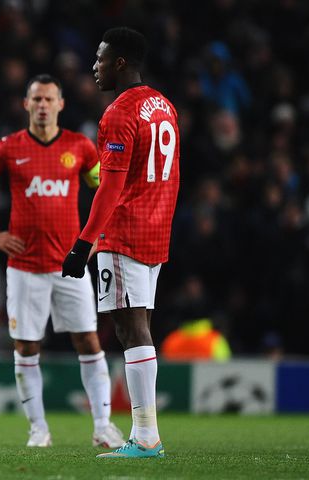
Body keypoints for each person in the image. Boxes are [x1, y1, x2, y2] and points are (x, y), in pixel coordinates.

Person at [0, 74, 125, 449]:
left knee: (87, 340)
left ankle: (103, 425)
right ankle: (38, 429)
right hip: (25, 269)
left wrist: (99, 236)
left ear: (61, 104)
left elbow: (107, 191)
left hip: (69, 264)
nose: (42, 105)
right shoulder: (8, 148)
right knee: (26, 346)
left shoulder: (81, 147)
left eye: (49, 99)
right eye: (36, 99)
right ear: (26, 104)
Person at [62, 27, 180, 459]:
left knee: (131, 329)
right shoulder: (163, 106)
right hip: (156, 228)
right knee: (139, 325)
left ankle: (146, 437)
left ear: (121, 63)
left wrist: (82, 243)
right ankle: (145, 434)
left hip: (126, 231)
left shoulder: (117, 114)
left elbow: (109, 189)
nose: (94, 66)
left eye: (100, 58)